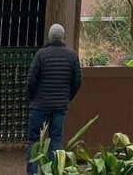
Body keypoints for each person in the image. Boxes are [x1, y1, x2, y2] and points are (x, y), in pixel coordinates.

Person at [25, 23, 83, 174]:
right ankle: (52, 171)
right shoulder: (72, 55)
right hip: (60, 106)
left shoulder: (41, 55)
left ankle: (32, 172)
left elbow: (31, 80)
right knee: (56, 140)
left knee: (34, 140)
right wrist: (67, 97)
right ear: (62, 36)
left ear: (49, 37)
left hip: (40, 104)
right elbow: (77, 81)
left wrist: (31, 97)